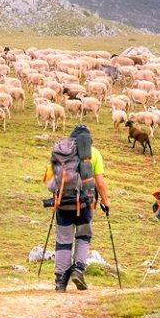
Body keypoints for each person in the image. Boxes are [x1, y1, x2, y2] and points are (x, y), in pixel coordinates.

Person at [49, 124, 110, 292]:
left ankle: (61, 280)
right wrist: (106, 201)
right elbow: (100, 182)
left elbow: (50, 179)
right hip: (84, 204)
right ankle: (78, 271)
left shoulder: (61, 151)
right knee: (83, 237)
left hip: (62, 203)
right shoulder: (93, 153)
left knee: (63, 240)